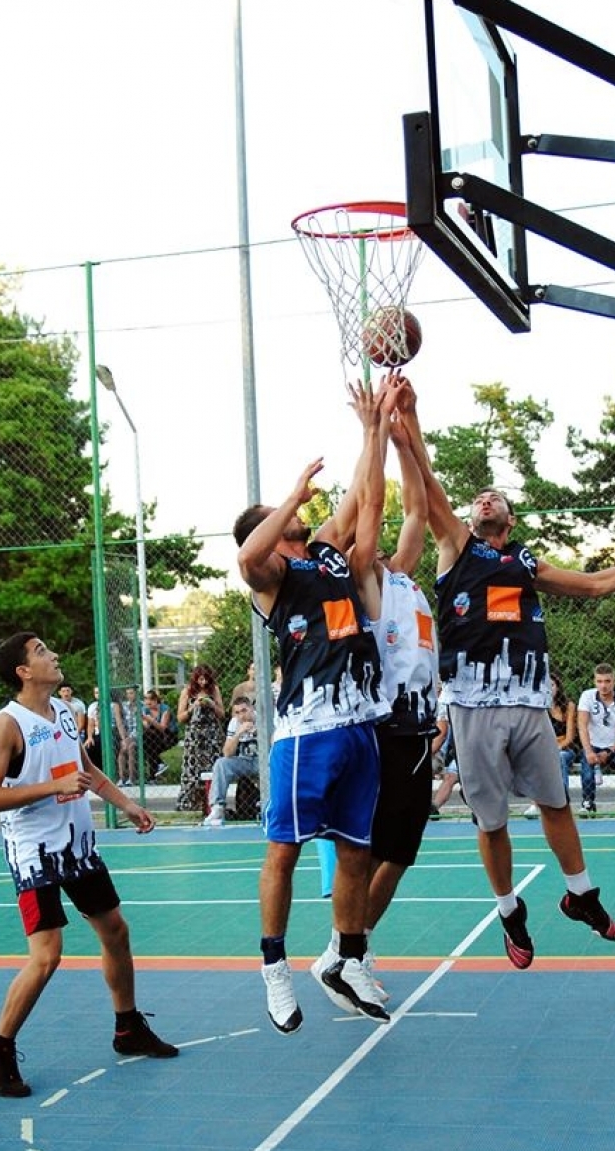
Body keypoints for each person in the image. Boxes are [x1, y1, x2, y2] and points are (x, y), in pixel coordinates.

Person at [401, 394, 615, 967]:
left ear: (509, 518)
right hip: (473, 706)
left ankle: (581, 895)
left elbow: (596, 584)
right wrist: (409, 417)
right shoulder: (457, 548)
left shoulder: (527, 564)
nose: (484, 499)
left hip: (528, 705)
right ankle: (509, 910)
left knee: (556, 804)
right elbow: (426, 484)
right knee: (493, 820)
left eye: (495, 496)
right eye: (479, 497)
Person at [234, 379, 394, 1033]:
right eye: (286, 518)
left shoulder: (326, 555)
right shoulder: (271, 579)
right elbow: (246, 555)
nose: (298, 519)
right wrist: (291, 496)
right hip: (307, 732)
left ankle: (348, 956)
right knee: (285, 851)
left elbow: (364, 494)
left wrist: (374, 427)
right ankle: (274, 966)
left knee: (357, 853)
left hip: (360, 727)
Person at [0, 632, 177, 1099]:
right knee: (47, 957)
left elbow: (85, 770)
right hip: (34, 854)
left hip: (78, 847)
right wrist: (51, 788)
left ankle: (127, 1028)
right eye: (42, 652)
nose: (54, 655)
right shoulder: (7, 724)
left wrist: (126, 804)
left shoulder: (64, 712)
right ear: (23, 671)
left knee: (116, 931)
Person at [309, 375, 439, 1014]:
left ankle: (346, 947)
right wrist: (376, 437)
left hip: (417, 735)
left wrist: (406, 431)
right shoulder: (364, 580)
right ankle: (344, 950)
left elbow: (417, 509)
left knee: (401, 856)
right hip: (383, 730)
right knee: (367, 849)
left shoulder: (406, 578)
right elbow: (381, 505)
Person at [577, 664, 615, 816]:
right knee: (587, 766)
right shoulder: (587, 696)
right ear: (594, 681)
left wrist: (609, 751)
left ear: (614, 681)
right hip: (592, 745)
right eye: (599, 681)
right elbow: (582, 726)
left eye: (607, 681)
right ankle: (588, 803)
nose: (603, 686)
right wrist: (589, 751)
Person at [175, 664, 225, 812]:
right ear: (195, 679)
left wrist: (211, 704)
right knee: (193, 772)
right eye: (200, 679)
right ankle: (192, 804)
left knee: (212, 769)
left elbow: (222, 714)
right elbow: (180, 717)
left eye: (206, 679)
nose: (203, 683)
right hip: (194, 737)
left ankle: (213, 804)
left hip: (212, 736)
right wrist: (193, 707)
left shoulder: (214, 690)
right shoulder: (187, 692)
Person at [203, 696, 259, 826]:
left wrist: (258, 733)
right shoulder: (235, 722)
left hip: (264, 761)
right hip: (245, 761)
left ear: (251, 709)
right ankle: (217, 808)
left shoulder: (262, 718)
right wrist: (238, 734)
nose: (241, 716)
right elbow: (227, 753)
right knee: (221, 764)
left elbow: (273, 745)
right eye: (237, 712)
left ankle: (270, 804)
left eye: (244, 710)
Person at [549, 672, 578, 791]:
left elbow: (569, 738)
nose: (548, 689)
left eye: (551, 685)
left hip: (565, 749)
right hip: (544, 749)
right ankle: (536, 803)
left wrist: (557, 747)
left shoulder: (568, 706)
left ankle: (562, 797)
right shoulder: (539, 707)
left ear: (558, 687)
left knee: (560, 756)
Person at [141, 688, 174, 782]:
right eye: (146, 699)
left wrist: (150, 719)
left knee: (149, 744)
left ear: (156, 700)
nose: (148, 701)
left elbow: (163, 727)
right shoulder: (145, 710)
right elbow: (146, 726)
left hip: (168, 735)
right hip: (152, 736)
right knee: (148, 741)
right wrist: (144, 720)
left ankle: (152, 776)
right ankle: (158, 766)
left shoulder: (165, 709)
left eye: (151, 699)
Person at [116, 686, 140, 788]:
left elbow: (140, 726)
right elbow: (122, 723)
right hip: (127, 736)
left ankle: (132, 778)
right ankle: (122, 778)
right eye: (128, 693)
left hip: (138, 736)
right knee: (122, 750)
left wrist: (131, 738)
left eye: (132, 693)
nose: (129, 696)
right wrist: (125, 738)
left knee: (131, 748)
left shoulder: (141, 706)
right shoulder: (124, 707)